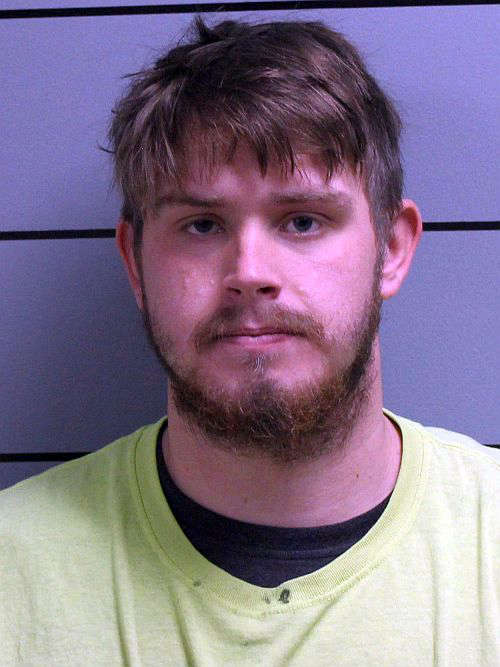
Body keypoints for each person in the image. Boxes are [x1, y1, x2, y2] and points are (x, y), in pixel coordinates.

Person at [1, 15, 498, 665]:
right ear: (135, 264)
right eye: (202, 225)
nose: (250, 272)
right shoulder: (13, 568)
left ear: (393, 250)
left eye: (303, 220)